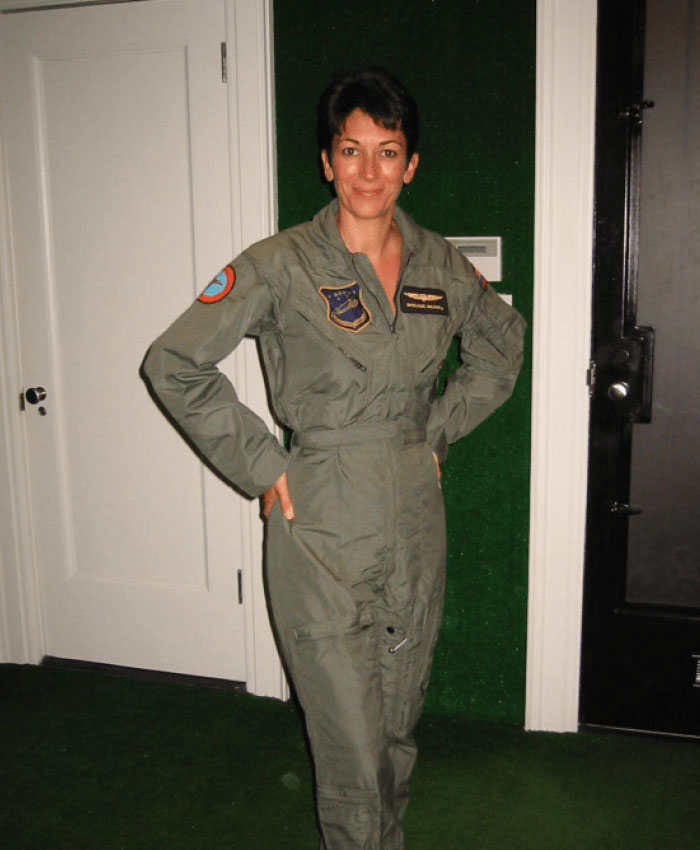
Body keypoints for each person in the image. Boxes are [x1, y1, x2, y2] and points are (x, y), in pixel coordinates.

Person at [143, 67, 525, 850]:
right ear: (326, 160)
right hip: (318, 522)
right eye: (351, 151)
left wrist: (436, 430)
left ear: (411, 164)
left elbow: (502, 343)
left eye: (388, 153)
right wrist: (261, 464)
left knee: (396, 727)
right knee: (350, 745)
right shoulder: (279, 263)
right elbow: (173, 362)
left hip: (415, 520)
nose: (369, 173)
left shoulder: (439, 265)